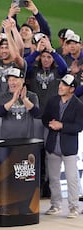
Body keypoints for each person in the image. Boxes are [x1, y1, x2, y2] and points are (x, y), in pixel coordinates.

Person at [42, 74, 83, 218]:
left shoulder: (78, 105)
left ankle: (74, 207)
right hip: (53, 145)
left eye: (64, 85)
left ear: (72, 89)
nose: (60, 87)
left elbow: (79, 126)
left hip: (69, 147)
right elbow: (44, 117)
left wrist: (62, 126)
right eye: (61, 84)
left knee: (72, 178)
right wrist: (50, 124)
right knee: (53, 177)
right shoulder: (53, 101)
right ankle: (55, 205)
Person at [0, 67, 39, 139]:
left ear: (22, 80)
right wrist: (13, 100)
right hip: (7, 139)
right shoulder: (3, 97)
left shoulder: (32, 96)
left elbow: (36, 113)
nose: (11, 83)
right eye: (9, 80)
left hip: (26, 139)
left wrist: (24, 99)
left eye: (14, 80)